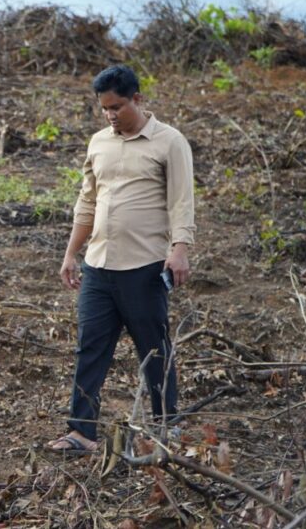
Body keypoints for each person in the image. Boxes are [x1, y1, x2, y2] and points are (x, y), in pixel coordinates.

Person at [48, 64, 195, 453]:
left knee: (154, 349)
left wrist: (180, 248)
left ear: (137, 99)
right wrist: (71, 253)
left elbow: (182, 200)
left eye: (117, 107)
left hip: (144, 266)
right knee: (90, 347)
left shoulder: (169, 142)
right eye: (104, 109)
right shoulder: (99, 143)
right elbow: (87, 201)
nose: (110, 115)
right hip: (99, 265)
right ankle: (82, 431)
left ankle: (166, 427)